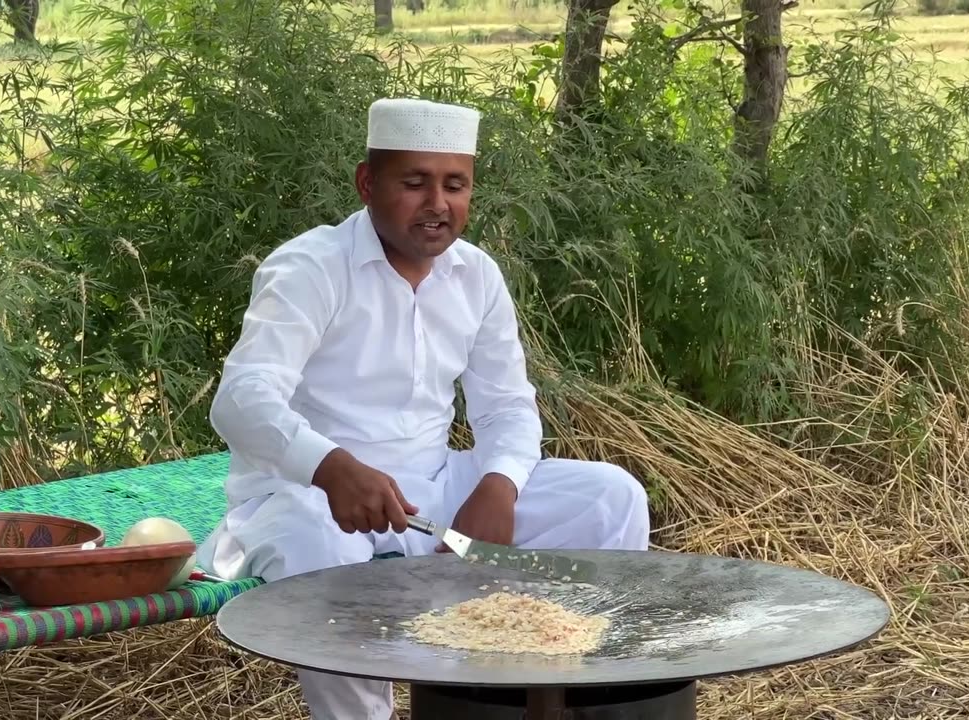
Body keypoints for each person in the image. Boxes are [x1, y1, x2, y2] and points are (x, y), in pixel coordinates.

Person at [197, 97, 650, 720]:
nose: (438, 203)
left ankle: (542, 697)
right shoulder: (311, 267)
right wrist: (330, 467)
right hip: (310, 500)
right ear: (367, 183)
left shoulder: (477, 275)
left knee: (612, 498)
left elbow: (508, 407)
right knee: (315, 538)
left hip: (435, 500)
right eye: (414, 182)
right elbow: (241, 400)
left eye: (455, 184)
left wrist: (498, 485)